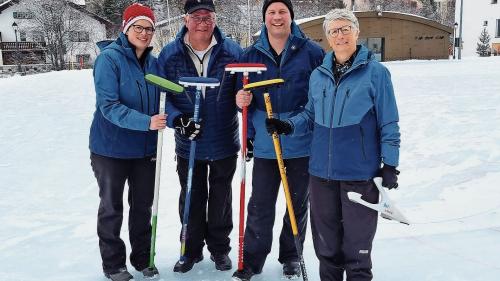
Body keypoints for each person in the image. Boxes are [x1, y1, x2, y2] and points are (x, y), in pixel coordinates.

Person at [268, 9, 401, 281]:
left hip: (359, 173)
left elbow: (389, 122)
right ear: (327, 37)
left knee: (357, 246)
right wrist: (289, 125)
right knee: (326, 245)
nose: (339, 35)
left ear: (356, 32)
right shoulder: (319, 74)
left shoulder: (376, 73)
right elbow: (311, 113)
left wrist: (390, 164)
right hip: (321, 173)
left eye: (345, 29)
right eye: (333, 31)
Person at [232, 0, 324, 280]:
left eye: (282, 11)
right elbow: (242, 100)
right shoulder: (250, 54)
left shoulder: (312, 53)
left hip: (300, 140)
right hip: (265, 143)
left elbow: (318, 98)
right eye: (271, 12)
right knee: (260, 204)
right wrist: (241, 100)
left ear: (291, 16)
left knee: (296, 203)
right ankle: (252, 261)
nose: (277, 17)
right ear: (264, 18)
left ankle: (291, 256)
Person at [157, 0, 243, 274]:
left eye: (208, 17)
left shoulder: (232, 52)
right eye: (197, 17)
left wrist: (243, 100)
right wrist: (177, 120)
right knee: (192, 197)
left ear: (215, 20)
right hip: (189, 142)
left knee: (220, 200)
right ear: (185, 20)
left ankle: (219, 250)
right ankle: (189, 250)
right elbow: (163, 96)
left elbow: (243, 91)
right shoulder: (170, 55)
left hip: (223, 140)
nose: (203, 22)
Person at [89, 3, 162, 281]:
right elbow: (109, 106)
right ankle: (114, 264)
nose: (144, 33)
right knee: (112, 207)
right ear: (126, 28)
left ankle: (143, 258)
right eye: (138, 27)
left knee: (142, 207)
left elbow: (166, 99)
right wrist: (146, 122)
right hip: (111, 149)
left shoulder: (154, 64)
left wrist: (176, 117)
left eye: (149, 28)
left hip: (144, 150)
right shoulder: (109, 59)